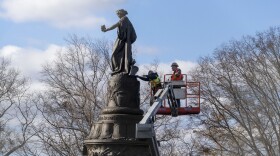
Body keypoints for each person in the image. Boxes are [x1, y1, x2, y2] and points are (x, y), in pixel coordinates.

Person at [101, 9, 137, 75]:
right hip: (123, 40)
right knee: (118, 55)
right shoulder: (124, 20)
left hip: (124, 40)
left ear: (122, 13)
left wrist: (106, 29)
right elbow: (117, 25)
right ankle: (120, 68)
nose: (118, 15)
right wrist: (106, 29)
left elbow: (115, 25)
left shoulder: (124, 19)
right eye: (117, 14)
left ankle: (120, 68)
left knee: (115, 54)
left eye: (119, 13)